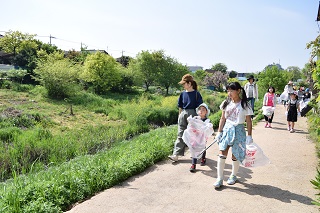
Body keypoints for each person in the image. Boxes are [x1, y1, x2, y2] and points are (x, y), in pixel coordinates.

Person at [213, 82, 253, 189]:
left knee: (235, 155)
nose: (229, 93)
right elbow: (223, 118)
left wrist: (249, 136)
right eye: (228, 91)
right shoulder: (226, 103)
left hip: (239, 131)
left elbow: (249, 121)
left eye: (232, 90)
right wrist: (219, 132)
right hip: (227, 130)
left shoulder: (245, 104)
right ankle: (219, 178)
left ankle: (233, 175)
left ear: (238, 91)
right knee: (222, 154)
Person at [168, 74, 203, 162]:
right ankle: (176, 154)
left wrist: (200, 118)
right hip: (183, 114)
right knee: (180, 134)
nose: (183, 85)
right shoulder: (182, 94)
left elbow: (200, 107)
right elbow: (180, 106)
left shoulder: (196, 94)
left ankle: (196, 154)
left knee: (194, 135)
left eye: (184, 83)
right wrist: (179, 116)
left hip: (193, 115)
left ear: (189, 83)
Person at [188, 103, 212, 173]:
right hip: (195, 137)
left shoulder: (207, 120)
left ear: (206, 112)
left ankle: (203, 158)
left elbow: (208, 127)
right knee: (194, 149)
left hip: (203, 137)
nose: (201, 111)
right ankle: (193, 164)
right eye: (200, 109)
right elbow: (191, 126)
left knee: (202, 147)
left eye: (203, 110)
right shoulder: (195, 119)